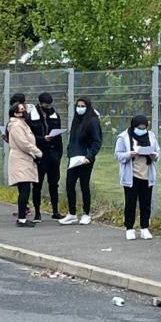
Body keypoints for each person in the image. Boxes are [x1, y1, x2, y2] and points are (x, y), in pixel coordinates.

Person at [115, 114, 161, 240]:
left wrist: (153, 155)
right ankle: (129, 228)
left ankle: (144, 227)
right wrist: (129, 154)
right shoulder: (123, 137)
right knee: (130, 202)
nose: (142, 130)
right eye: (139, 127)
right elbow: (118, 155)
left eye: (144, 127)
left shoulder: (151, 136)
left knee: (146, 203)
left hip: (146, 175)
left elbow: (158, 152)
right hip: (131, 176)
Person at [59, 97, 101, 226]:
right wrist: (70, 152)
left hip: (85, 158)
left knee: (84, 185)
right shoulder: (76, 120)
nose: (80, 108)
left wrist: (89, 156)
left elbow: (96, 141)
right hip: (74, 157)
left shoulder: (93, 121)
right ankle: (72, 213)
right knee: (70, 184)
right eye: (78, 106)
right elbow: (73, 139)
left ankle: (86, 213)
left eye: (83, 106)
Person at [27, 92, 64, 224]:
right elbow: (29, 136)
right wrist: (42, 139)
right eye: (45, 105)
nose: (47, 107)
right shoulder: (32, 115)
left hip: (53, 154)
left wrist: (59, 154)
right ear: (40, 103)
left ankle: (55, 211)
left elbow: (59, 136)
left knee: (54, 184)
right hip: (39, 154)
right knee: (37, 184)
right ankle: (37, 212)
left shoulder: (54, 114)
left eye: (49, 105)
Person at [7, 102, 43, 227]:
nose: (24, 112)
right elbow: (23, 143)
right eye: (21, 110)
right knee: (24, 188)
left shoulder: (23, 124)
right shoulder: (16, 126)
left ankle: (22, 217)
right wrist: (38, 152)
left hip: (25, 159)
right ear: (15, 113)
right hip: (20, 159)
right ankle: (21, 218)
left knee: (25, 188)